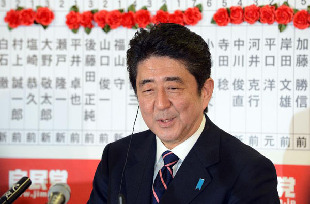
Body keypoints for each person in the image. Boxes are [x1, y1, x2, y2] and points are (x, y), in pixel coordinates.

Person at [88, 23, 279, 204]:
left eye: (173, 88)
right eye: (148, 90)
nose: (161, 104)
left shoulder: (247, 170)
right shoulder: (117, 157)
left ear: (204, 92)